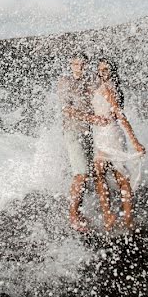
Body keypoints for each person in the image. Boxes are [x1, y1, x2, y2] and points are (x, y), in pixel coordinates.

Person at [89, 58, 146, 231]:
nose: (103, 72)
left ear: (112, 71)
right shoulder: (99, 87)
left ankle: (127, 217)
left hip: (112, 134)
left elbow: (120, 116)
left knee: (119, 175)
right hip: (100, 134)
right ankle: (109, 215)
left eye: (106, 69)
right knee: (100, 174)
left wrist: (135, 141)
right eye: (100, 70)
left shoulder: (109, 89)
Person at [59, 55, 111, 233]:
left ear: (86, 65)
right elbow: (67, 109)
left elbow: (104, 96)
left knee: (92, 173)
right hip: (73, 131)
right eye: (75, 64)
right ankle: (73, 215)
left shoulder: (90, 81)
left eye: (82, 64)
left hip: (91, 132)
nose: (79, 67)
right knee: (80, 174)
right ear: (70, 65)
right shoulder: (65, 82)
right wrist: (92, 118)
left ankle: (86, 212)